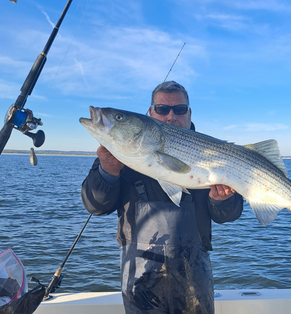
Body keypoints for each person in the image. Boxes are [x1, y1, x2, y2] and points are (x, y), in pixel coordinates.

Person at [81, 81, 243, 314]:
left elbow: (229, 215)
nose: (170, 117)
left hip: (194, 272)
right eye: (161, 109)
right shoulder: (117, 156)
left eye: (179, 110)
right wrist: (108, 171)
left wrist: (222, 200)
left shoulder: (213, 154)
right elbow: (95, 206)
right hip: (139, 276)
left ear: (189, 113)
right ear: (149, 113)